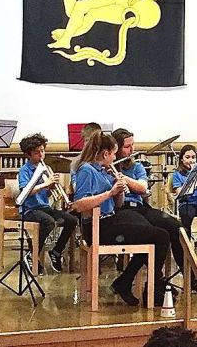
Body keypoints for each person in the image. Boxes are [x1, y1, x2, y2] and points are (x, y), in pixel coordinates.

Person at [71, 131, 170, 306]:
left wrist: (119, 190)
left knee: (154, 234)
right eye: (114, 154)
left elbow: (118, 204)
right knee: (160, 236)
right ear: (105, 154)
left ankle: (127, 282)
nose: (115, 157)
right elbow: (79, 204)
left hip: (109, 220)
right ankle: (151, 289)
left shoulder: (103, 170)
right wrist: (110, 192)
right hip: (96, 226)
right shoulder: (86, 170)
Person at [112, 128, 185, 281]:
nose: (132, 149)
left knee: (174, 226)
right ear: (116, 148)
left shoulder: (137, 167)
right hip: (120, 210)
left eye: (133, 145)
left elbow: (142, 188)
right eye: (127, 146)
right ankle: (155, 281)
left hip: (139, 207)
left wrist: (122, 177)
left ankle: (188, 276)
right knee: (154, 235)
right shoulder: (108, 167)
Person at [17, 133, 78, 273]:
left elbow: (47, 194)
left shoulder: (46, 169)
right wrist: (46, 184)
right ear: (28, 154)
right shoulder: (25, 170)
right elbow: (25, 192)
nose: (41, 155)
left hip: (44, 207)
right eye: (37, 152)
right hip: (29, 209)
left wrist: (52, 188)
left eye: (43, 151)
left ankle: (56, 251)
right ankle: (32, 253)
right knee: (49, 222)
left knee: (72, 220)